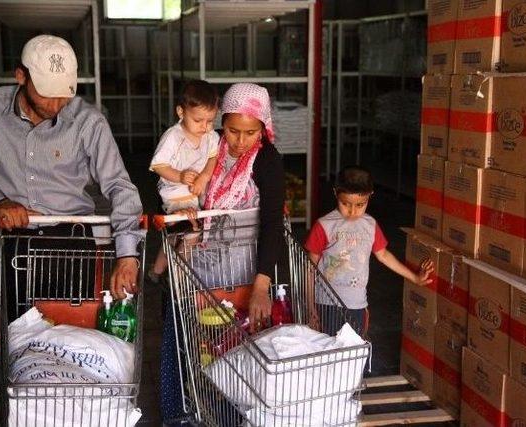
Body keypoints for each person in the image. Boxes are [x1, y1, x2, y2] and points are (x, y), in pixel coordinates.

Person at [0, 35, 145, 320]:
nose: (55, 105)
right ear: (21, 77)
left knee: (67, 340)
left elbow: (119, 185)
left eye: (63, 94)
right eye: (45, 93)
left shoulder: (88, 122)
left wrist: (127, 255)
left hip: (72, 244)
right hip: (17, 242)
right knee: (17, 337)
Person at [159, 83, 285, 425]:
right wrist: (181, 206)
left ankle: (228, 417)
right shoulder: (205, 145)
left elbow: (273, 223)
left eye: (250, 132)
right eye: (232, 130)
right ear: (221, 122)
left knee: (232, 352)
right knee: (183, 341)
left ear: (263, 127)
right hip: (196, 266)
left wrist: (262, 285)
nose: (240, 141)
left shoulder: (267, 160)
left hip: (240, 275)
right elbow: (172, 182)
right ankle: (179, 414)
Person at [304, 166, 434, 337]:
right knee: (329, 355)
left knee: (355, 355)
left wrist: (415, 278)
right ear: (336, 193)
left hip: (357, 304)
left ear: (370, 196)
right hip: (326, 304)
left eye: (360, 205)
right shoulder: (324, 225)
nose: (352, 212)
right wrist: (310, 305)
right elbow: (309, 267)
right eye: (345, 204)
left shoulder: (370, 225)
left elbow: (384, 255)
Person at [148, 79, 220, 284]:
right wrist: (179, 176)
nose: (205, 127)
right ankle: (177, 277)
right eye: (198, 121)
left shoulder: (211, 136)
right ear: (181, 112)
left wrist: (205, 176)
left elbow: (213, 157)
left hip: (194, 197)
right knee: (192, 233)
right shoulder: (173, 137)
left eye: (210, 121)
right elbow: (159, 166)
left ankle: (156, 271)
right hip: (174, 197)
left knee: (173, 238)